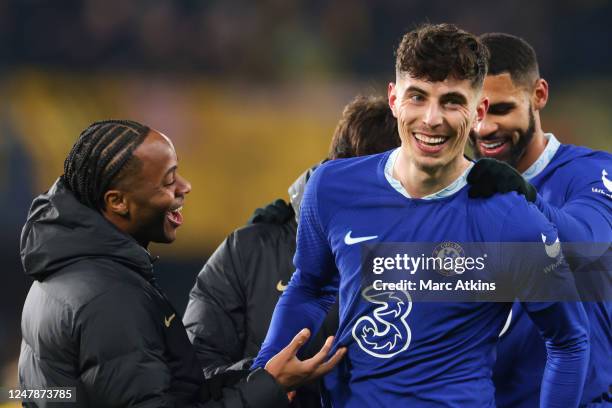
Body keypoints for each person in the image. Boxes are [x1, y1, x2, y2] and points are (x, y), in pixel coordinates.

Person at [252, 23, 590, 407]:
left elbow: (569, 341)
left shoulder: (513, 220)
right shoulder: (331, 188)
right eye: (418, 97)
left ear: (478, 110)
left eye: (451, 101)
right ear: (394, 99)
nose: (432, 119)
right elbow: (311, 286)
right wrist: (265, 373)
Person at [18, 120, 344, 407]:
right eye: (168, 180)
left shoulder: (66, 273)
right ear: (117, 202)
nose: (184, 187)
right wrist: (269, 386)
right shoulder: (110, 299)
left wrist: (259, 374)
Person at [182, 95, 401, 406]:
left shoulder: (428, 256)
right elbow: (193, 376)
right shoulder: (246, 252)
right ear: (337, 170)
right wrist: (271, 378)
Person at [468, 33, 612, 406]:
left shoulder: (592, 173)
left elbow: (586, 244)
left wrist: (524, 195)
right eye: (474, 112)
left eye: (500, 109)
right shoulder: (453, 191)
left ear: (539, 95)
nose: (484, 129)